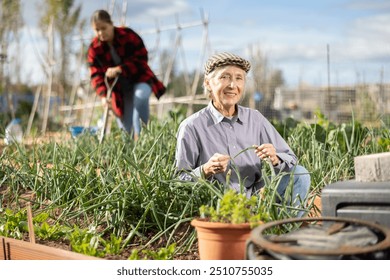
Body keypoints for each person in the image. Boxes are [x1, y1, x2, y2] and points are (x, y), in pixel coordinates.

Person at [175, 52, 310, 217]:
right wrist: (205, 170)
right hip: (216, 204)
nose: (232, 85)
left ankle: (280, 232)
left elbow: (291, 159)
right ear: (208, 83)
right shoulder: (191, 127)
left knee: (300, 174)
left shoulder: (255, 119)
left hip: (256, 199)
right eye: (224, 77)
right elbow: (178, 181)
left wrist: (275, 159)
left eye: (239, 78)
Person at [87, 9, 166, 139]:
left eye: (104, 28)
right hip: (118, 89)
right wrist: (102, 95)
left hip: (140, 78)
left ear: (111, 24)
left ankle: (142, 139)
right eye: (97, 30)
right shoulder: (94, 49)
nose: (101, 33)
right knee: (125, 130)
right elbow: (96, 75)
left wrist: (120, 69)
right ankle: (128, 152)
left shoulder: (128, 35)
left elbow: (142, 58)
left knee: (140, 96)